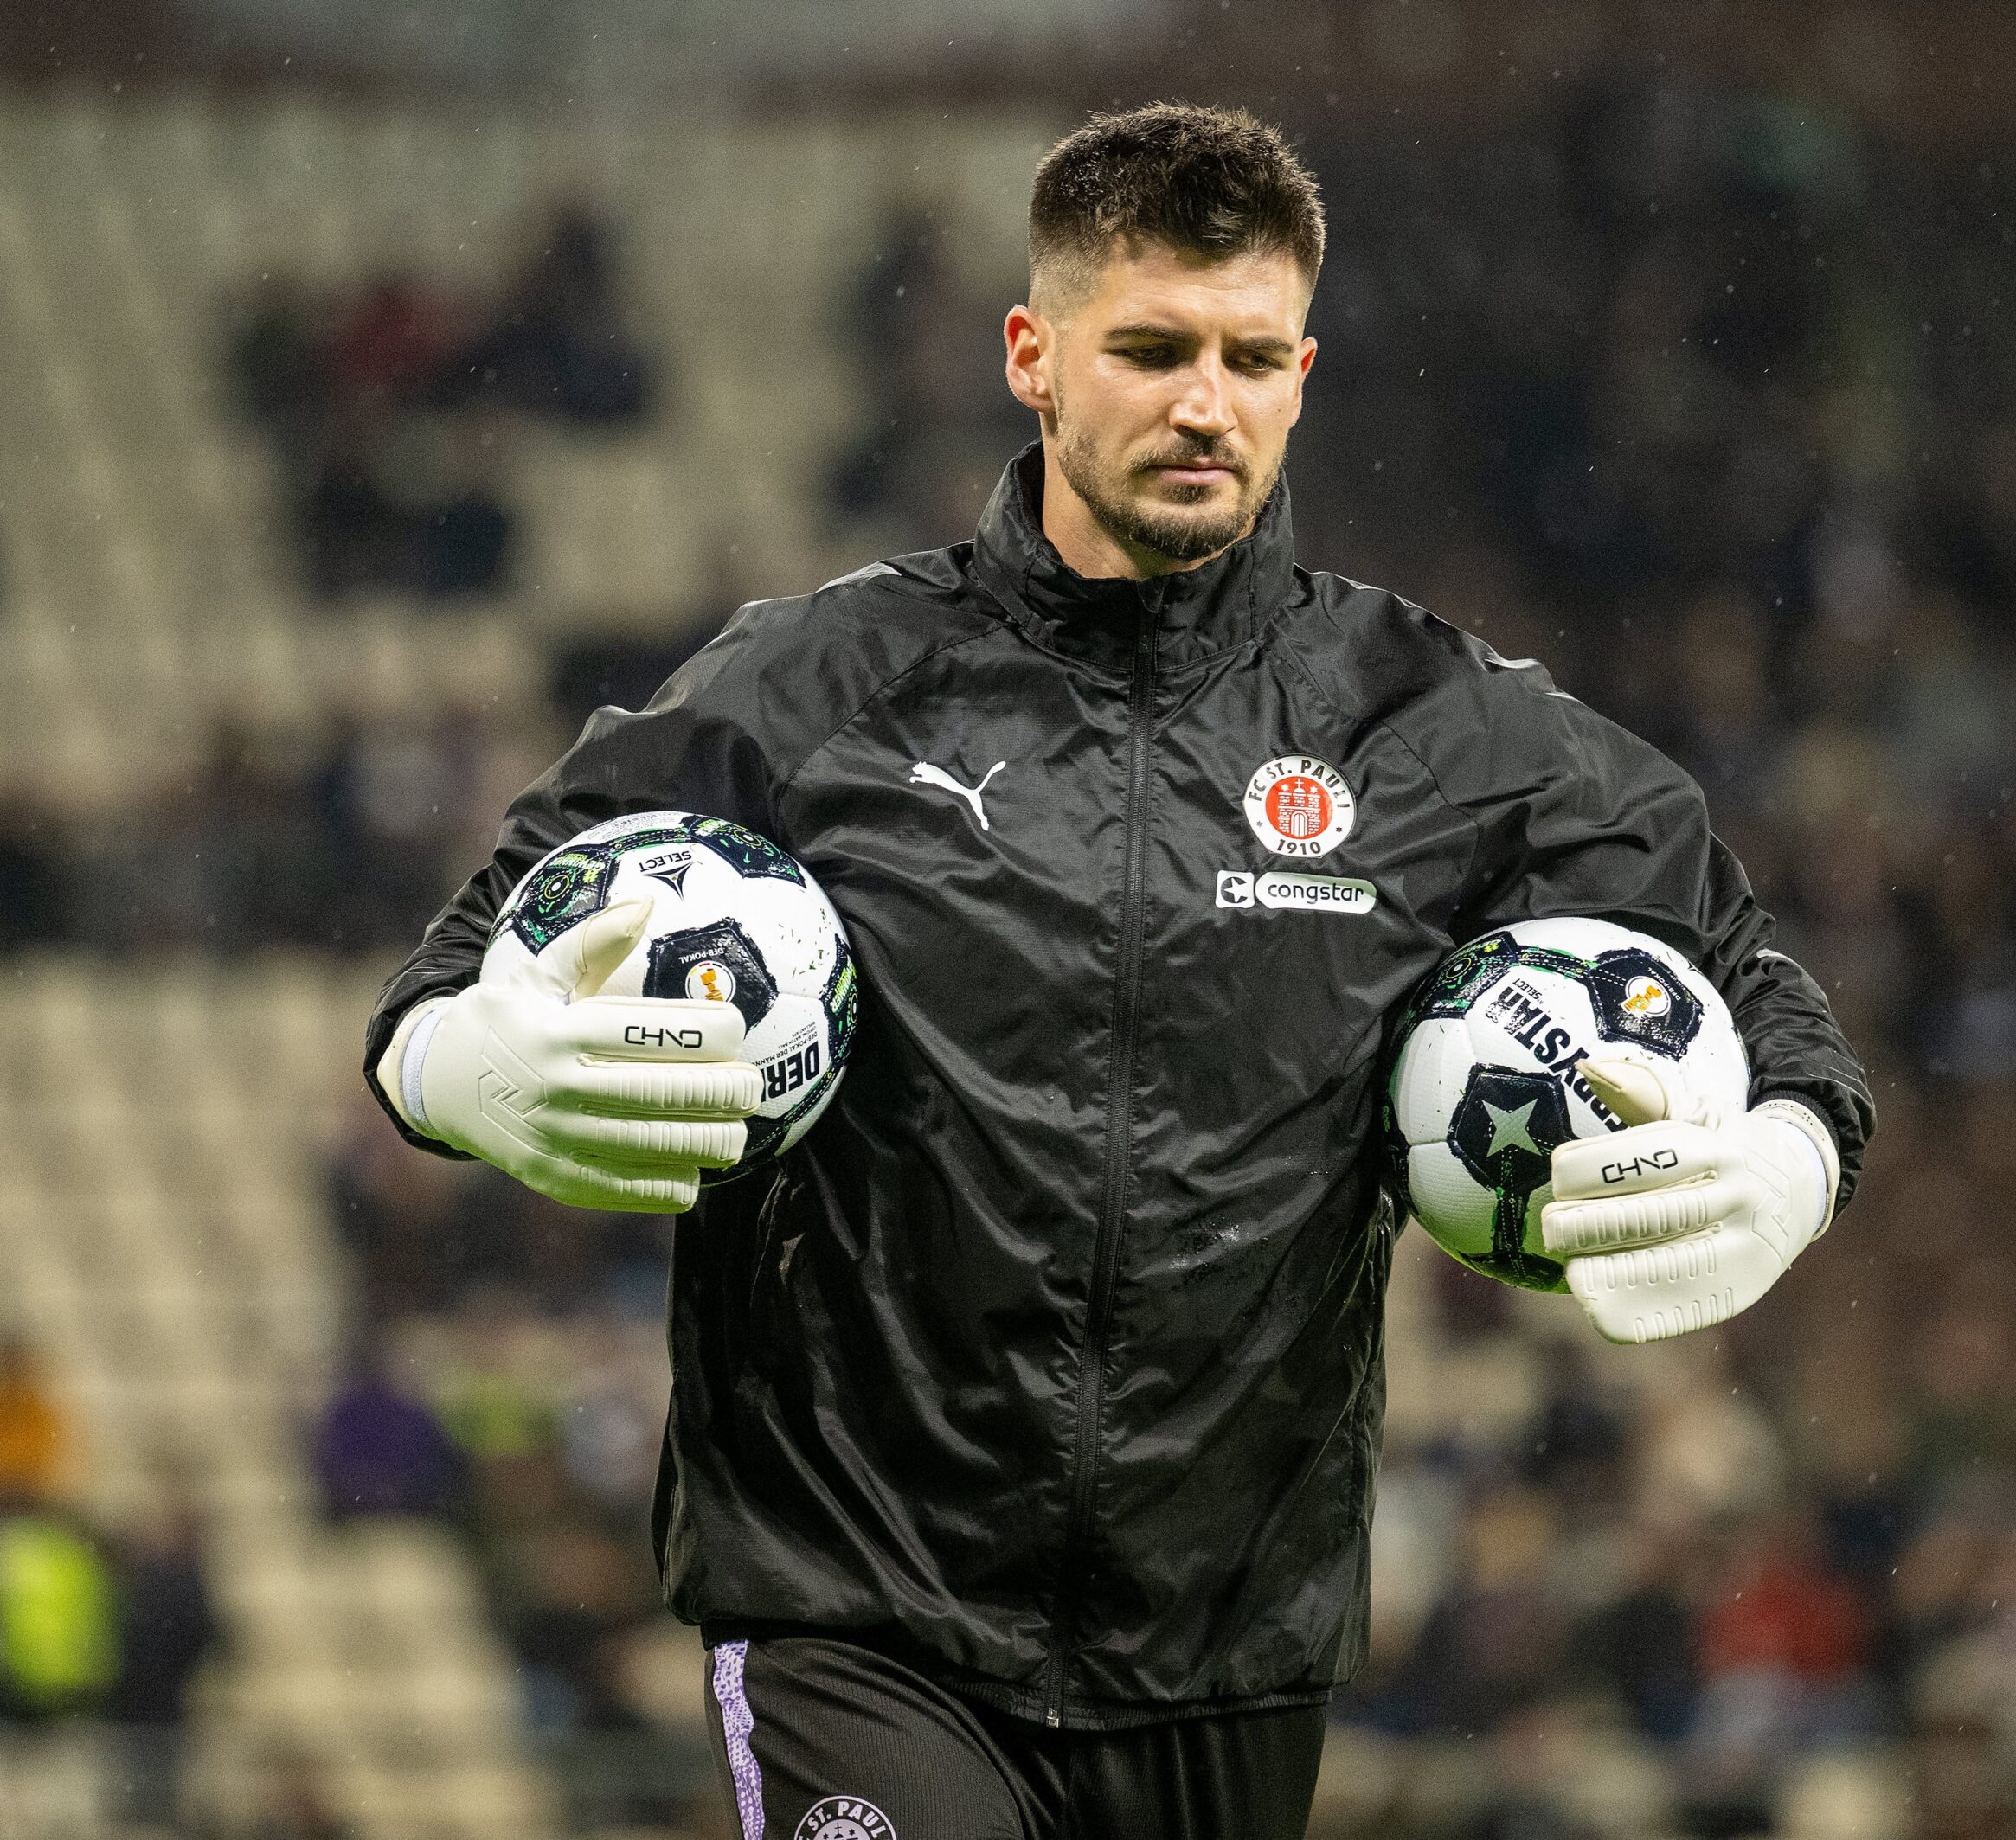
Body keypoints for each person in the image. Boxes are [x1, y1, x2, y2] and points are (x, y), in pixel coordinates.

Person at [363, 105, 1872, 1840]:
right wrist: (460, 1066)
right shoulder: (815, 682)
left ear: (1301, 373)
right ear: (1034, 354)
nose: (1200, 402)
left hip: (1226, 1656)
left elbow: (1748, 969)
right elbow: (459, 955)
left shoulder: (1439, 727)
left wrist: (1790, 1157)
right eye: (1148, 348)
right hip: (862, 1616)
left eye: (1247, 356)